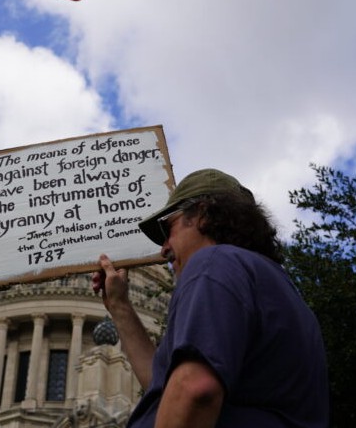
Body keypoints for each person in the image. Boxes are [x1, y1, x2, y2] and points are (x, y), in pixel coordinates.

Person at [92, 169, 329, 427]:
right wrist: (119, 306)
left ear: (202, 214)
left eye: (167, 228)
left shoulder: (212, 262)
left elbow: (195, 390)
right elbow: (167, 391)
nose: (164, 249)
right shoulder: (280, 290)